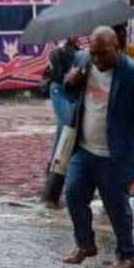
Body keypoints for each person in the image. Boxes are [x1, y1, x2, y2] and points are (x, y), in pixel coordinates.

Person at [61, 26, 134, 268]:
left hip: (116, 154)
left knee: (116, 207)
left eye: (103, 53)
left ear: (117, 48)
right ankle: (86, 244)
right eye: (94, 53)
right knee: (73, 193)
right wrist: (70, 81)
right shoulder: (83, 61)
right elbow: (70, 93)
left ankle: (127, 254)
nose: (97, 59)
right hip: (84, 148)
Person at [40, 37, 80, 208]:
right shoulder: (57, 52)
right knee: (68, 127)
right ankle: (58, 175)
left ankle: (53, 175)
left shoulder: (80, 52)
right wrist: (68, 76)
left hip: (72, 95)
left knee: (61, 130)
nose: (75, 34)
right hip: (59, 91)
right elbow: (57, 77)